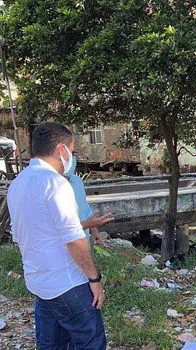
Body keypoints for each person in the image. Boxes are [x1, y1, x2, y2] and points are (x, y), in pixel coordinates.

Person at [7, 122, 114, 349]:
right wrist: (94, 280)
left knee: (50, 345)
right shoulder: (55, 184)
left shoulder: (17, 184)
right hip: (67, 284)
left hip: (39, 283)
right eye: (72, 150)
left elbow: (19, 237)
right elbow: (74, 239)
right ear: (61, 149)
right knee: (91, 342)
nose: (71, 157)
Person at [63, 153, 104, 246]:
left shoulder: (77, 181)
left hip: (83, 240)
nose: (72, 159)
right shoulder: (51, 186)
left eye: (73, 155)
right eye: (68, 155)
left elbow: (85, 208)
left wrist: (94, 230)